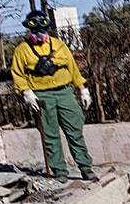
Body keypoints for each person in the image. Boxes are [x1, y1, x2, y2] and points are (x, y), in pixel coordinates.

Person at [10, 10, 99, 182]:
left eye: (42, 30)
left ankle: (85, 167)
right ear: (29, 31)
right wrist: (26, 92)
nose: (39, 34)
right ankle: (59, 171)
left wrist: (82, 89)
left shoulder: (59, 45)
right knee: (50, 135)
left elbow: (72, 68)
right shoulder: (22, 50)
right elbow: (18, 74)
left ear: (48, 29)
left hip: (64, 92)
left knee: (75, 131)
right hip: (41, 95)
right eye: (35, 30)